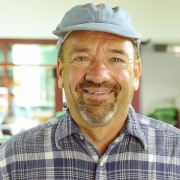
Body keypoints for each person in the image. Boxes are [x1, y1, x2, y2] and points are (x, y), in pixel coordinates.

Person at [0, 3, 180, 179]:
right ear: (61, 72)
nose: (98, 75)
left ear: (136, 73)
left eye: (116, 59)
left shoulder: (176, 151)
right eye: (82, 58)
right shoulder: (12, 159)